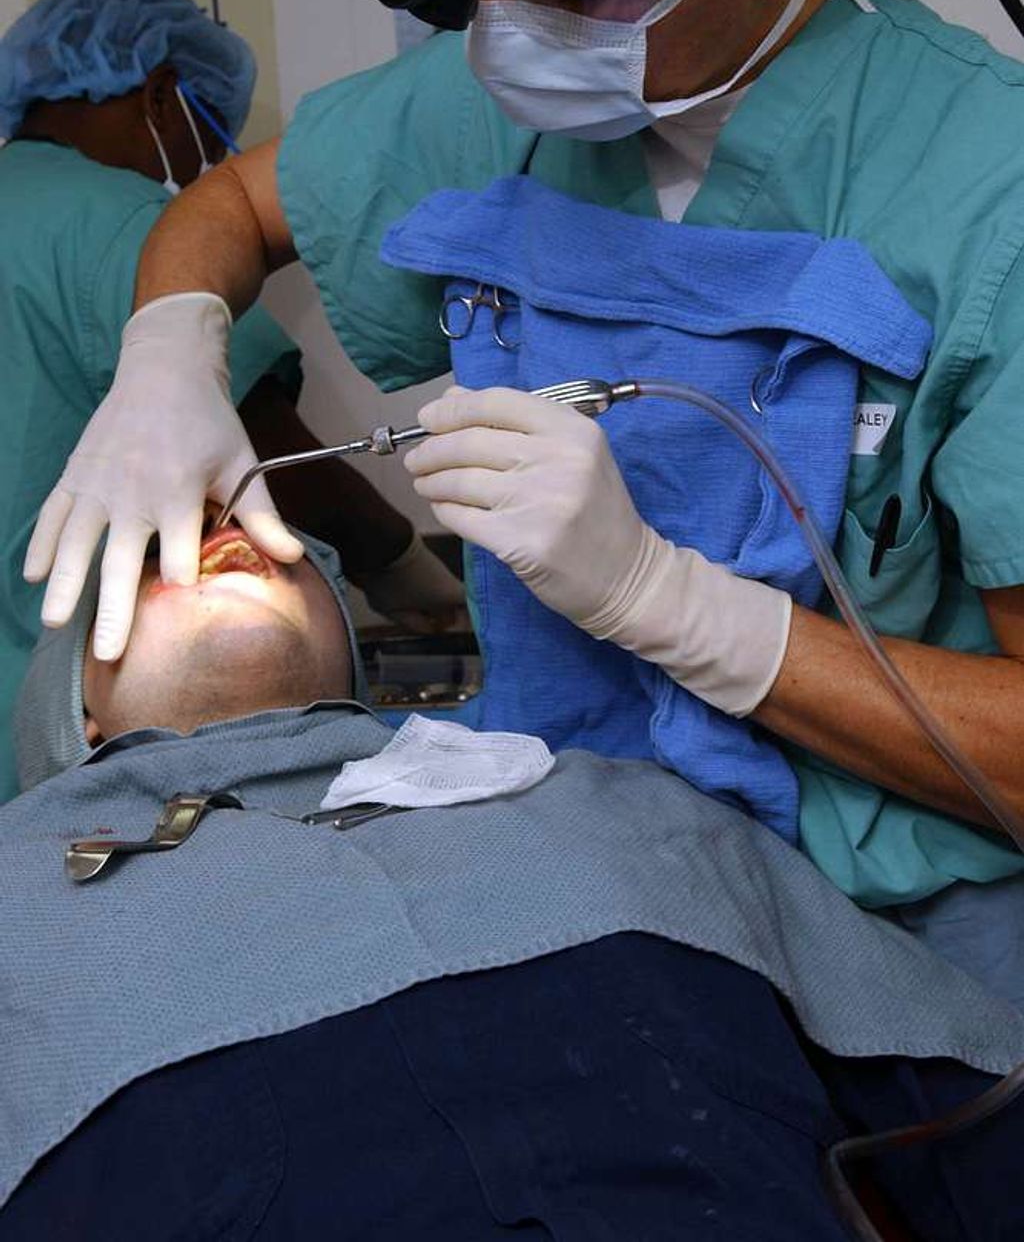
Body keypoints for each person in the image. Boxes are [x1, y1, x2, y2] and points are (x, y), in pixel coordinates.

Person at [22, 0, 1024, 957]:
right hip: (589, 867)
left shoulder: (982, 192)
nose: (506, 32)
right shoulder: (485, 106)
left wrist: (679, 607)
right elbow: (231, 205)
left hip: (907, 923)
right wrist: (171, 354)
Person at [3, 529, 1024, 1240]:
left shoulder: (613, 799)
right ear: (74, 717)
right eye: (149, 553)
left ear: (342, 662)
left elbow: (969, 1096)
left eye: (269, 536)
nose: (219, 530)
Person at [0, 0, 464, 797]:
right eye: (210, 133)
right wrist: (396, 559)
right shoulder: (114, 217)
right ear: (161, 92)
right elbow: (262, 449)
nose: (211, 164)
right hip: (80, 740)